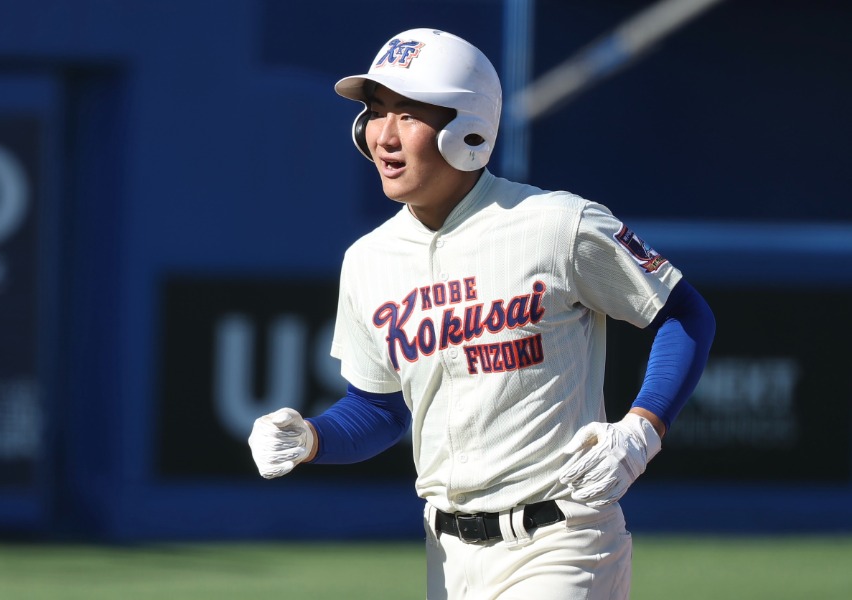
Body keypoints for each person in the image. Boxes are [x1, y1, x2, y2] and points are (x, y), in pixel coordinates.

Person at [249, 28, 715, 599]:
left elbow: (684, 312)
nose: (383, 135)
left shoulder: (556, 224)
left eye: (408, 113)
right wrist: (312, 437)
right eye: (375, 112)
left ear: (467, 129)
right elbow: (379, 409)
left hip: (561, 540)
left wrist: (642, 428)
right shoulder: (368, 260)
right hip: (448, 557)